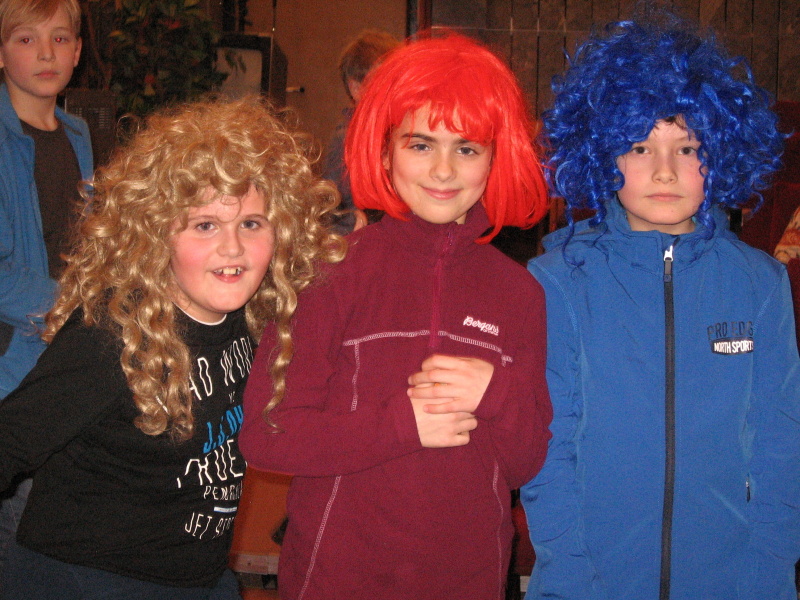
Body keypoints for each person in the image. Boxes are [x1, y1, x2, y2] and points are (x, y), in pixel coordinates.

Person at [240, 33, 552, 600]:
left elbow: (526, 463)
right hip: (335, 579)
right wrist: (402, 425)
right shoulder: (328, 274)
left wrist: (497, 393)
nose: (443, 170)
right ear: (384, 150)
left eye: (467, 148)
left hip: (468, 580)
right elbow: (267, 435)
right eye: (420, 144)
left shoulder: (520, 294)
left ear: (495, 158)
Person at [0, 96, 344, 599]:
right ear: (156, 233)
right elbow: (10, 440)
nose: (233, 247)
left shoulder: (254, 320)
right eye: (205, 225)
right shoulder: (112, 335)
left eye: (251, 223)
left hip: (199, 577)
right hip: (87, 578)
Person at [521, 11, 800, 600]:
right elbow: (549, 448)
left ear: (719, 153)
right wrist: (570, 582)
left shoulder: (760, 284)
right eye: (640, 146)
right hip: (590, 582)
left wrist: (769, 577)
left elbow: (782, 445)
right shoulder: (557, 281)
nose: (665, 171)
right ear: (603, 154)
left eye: (688, 147)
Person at [0, 0, 93, 572]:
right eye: (26, 39)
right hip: (12, 368)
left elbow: (80, 245)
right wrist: (72, 304)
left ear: (77, 51)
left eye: (59, 39)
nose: (45, 53)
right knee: (18, 538)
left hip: (65, 358)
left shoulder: (78, 133)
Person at [323, 28, 399, 234]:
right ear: (356, 89)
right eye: (385, 83)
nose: (396, 91)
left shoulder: (396, 131)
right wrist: (349, 221)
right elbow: (329, 209)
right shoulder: (346, 140)